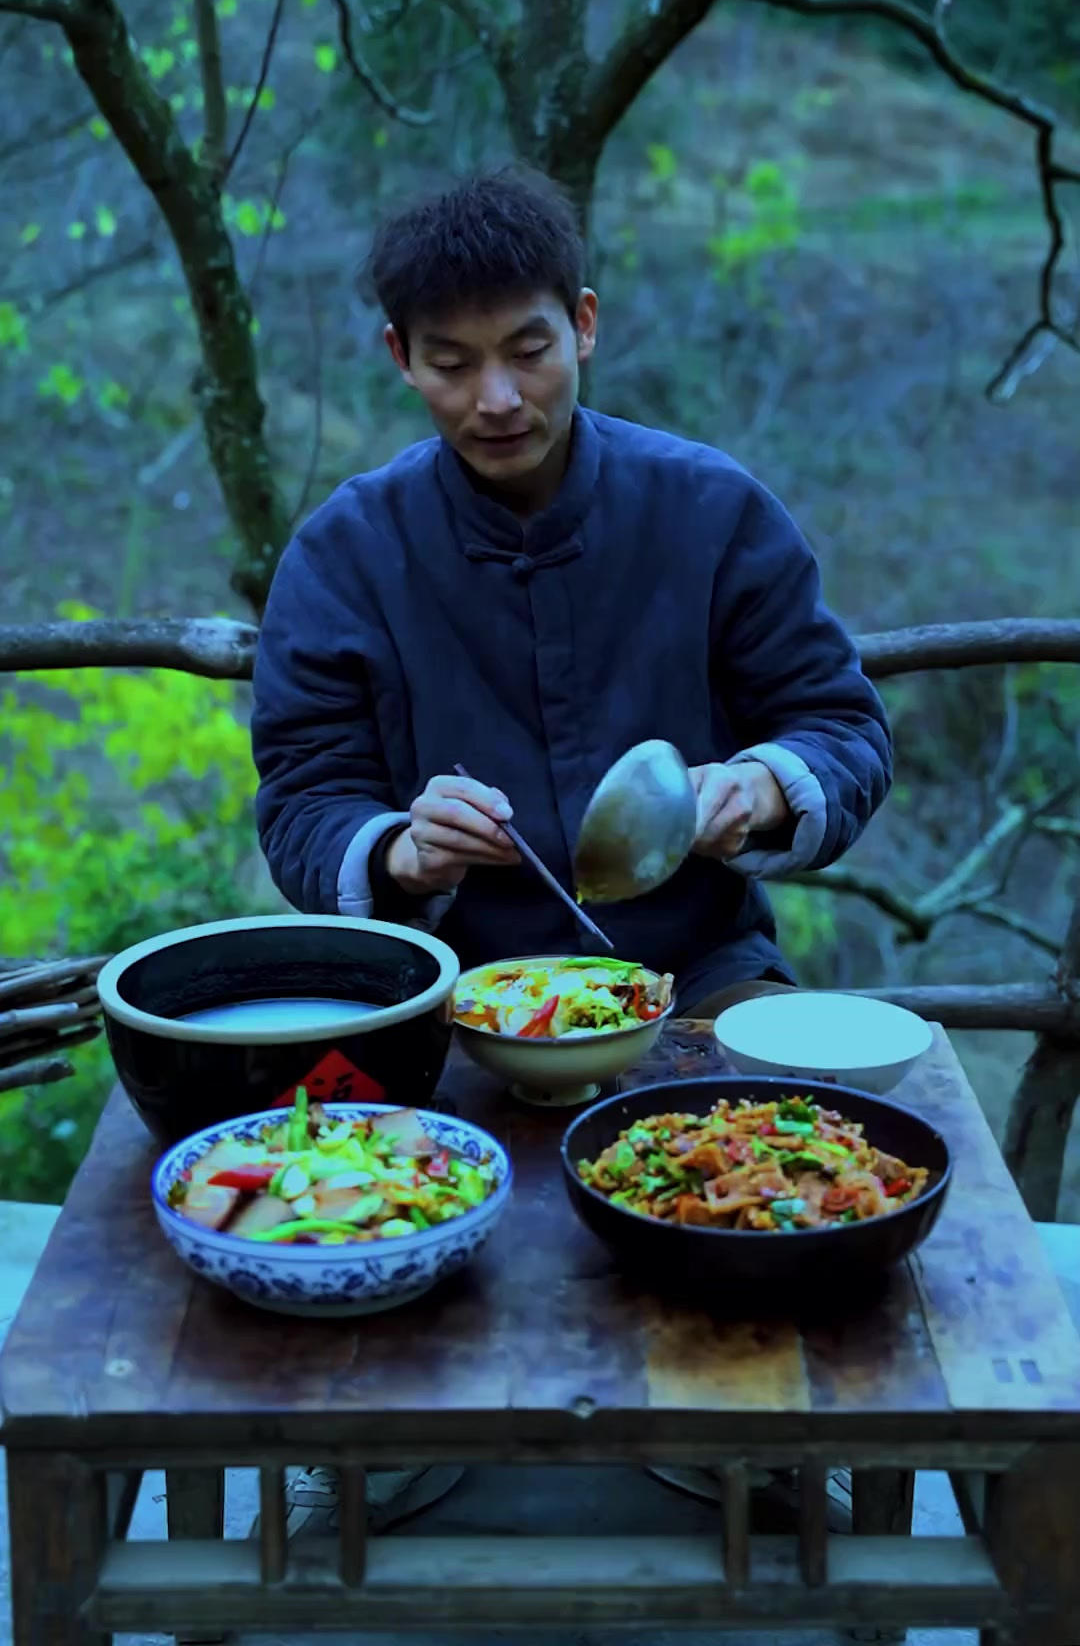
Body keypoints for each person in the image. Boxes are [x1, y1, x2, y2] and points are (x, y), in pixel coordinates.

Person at [250, 164, 892, 1539]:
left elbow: (841, 725)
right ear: (399, 357)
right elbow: (302, 799)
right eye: (452, 363)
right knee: (324, 1156)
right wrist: (396, 851)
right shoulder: (345, 551)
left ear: (585, 324)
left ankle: (744, 1417)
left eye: (528, 349)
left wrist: (761, 784)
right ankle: (370, 1429)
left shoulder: (709, 509)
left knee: (781, 1141)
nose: (497, 398)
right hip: (430, 994)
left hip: (695, 970)